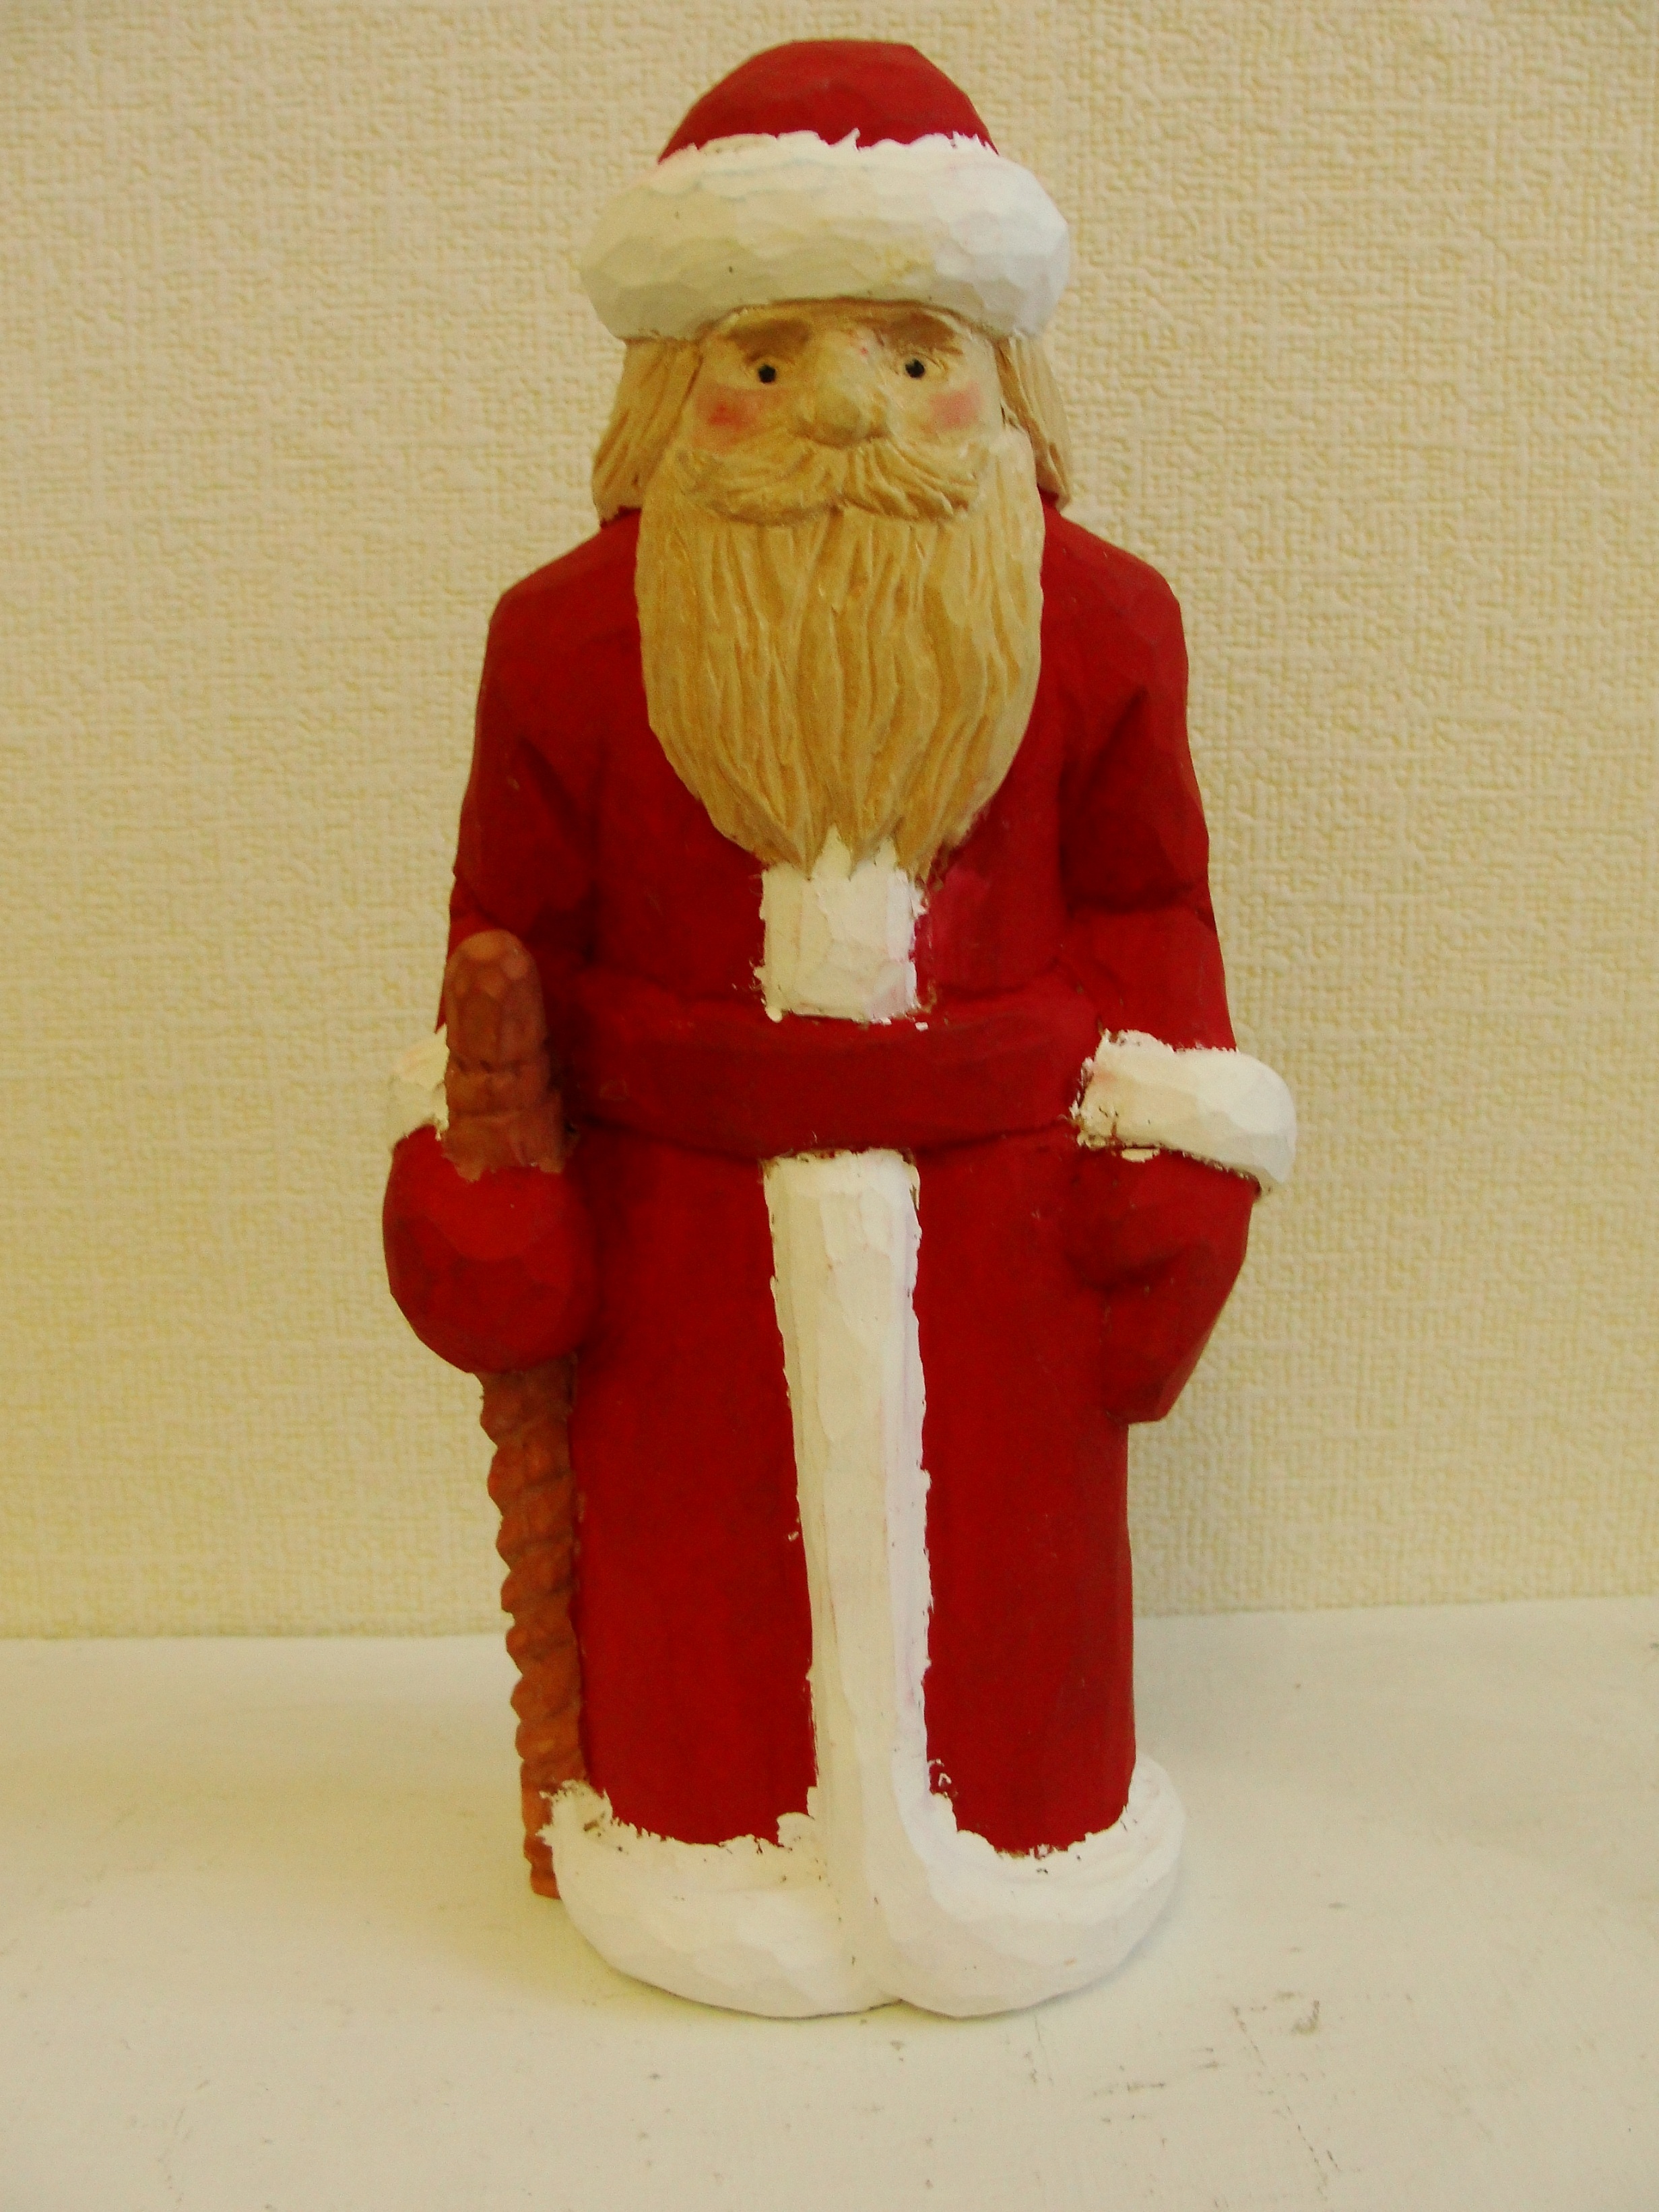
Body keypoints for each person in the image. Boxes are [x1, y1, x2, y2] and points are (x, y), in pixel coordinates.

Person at [385, 38, 1294, 2018]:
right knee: (704, 1601)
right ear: (677, 385)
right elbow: (503, 952)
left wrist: (1180, 1168)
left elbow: (1148, 906)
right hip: (684, 1246)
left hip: (1003, 1247)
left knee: (1015, 1613)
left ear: (1000, 372)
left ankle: (1025, 1839)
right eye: (773, 358)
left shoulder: (1102, 625)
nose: (852, 409)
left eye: (912, 349)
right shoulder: (567, 642)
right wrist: (490, 1178)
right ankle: (703, 1844)